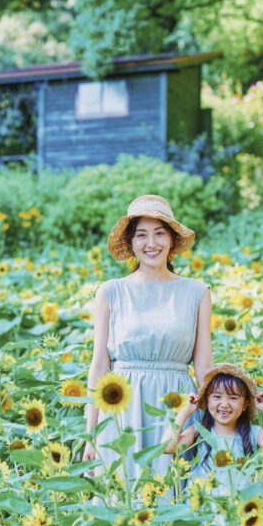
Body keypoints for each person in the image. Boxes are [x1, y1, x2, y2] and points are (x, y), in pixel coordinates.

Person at [82, 194, 213, 488]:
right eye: (141, 235)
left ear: (171, 240)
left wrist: (208, 427)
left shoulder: (197, 292)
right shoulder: (111, 292)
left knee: (173, 496)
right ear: (130, 243)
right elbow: (100, 364)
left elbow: (204, 365)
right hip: (122, 405)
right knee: (123, 497)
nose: (150, 243)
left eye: (159, 233)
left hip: (176, 406)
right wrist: (91, 434)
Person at [164, 363, 263, 498]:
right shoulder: (199, 431)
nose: (224, 404)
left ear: (245, 404)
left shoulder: (253, 432)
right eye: (217, 397)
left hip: (245, 509)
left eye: (233, 398)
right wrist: (184, 411)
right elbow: (168, 447)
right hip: (206, 509)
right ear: (206, 400)